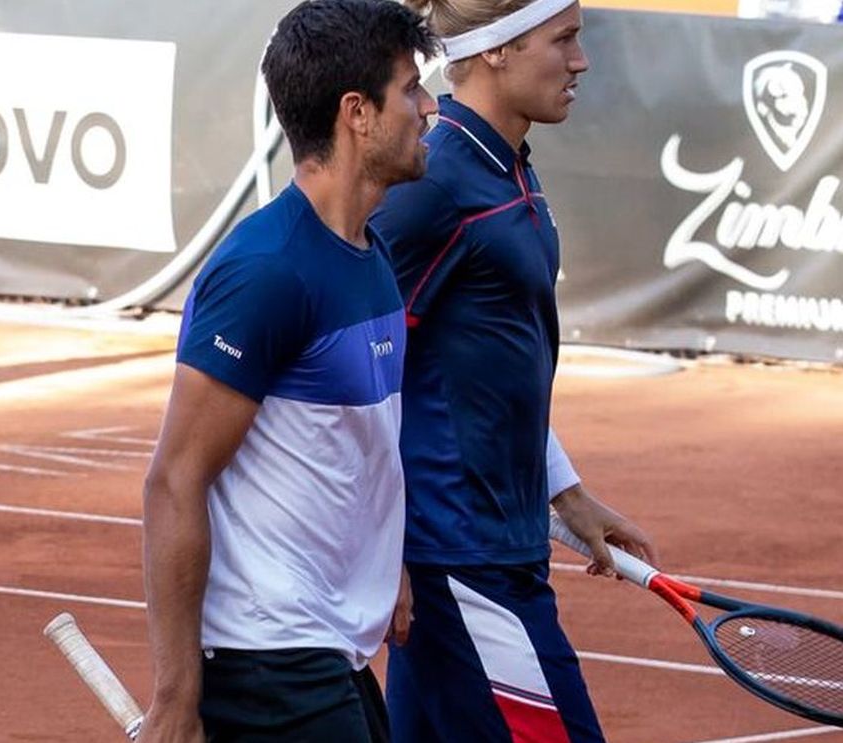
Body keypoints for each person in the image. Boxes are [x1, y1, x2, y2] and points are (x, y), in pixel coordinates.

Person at [136, 2, 437, 741]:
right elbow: (174, 479)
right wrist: (176, 697)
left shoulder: (372, 254)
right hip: (267, 655)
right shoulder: (266, 271)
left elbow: (353, 443)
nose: (429, 107)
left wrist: (384, 560)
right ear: (357, 113)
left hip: (330, 642)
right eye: (411, 89)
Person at [371, 1, 658, 740]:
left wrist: (566, 491)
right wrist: (381, 545)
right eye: (563, 40)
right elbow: (357, 363)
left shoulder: (510, 173)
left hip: (494, 547)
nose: (581, 61)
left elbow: (492, 372)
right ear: (498, 51)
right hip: (462, 566)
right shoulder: (436, 186)